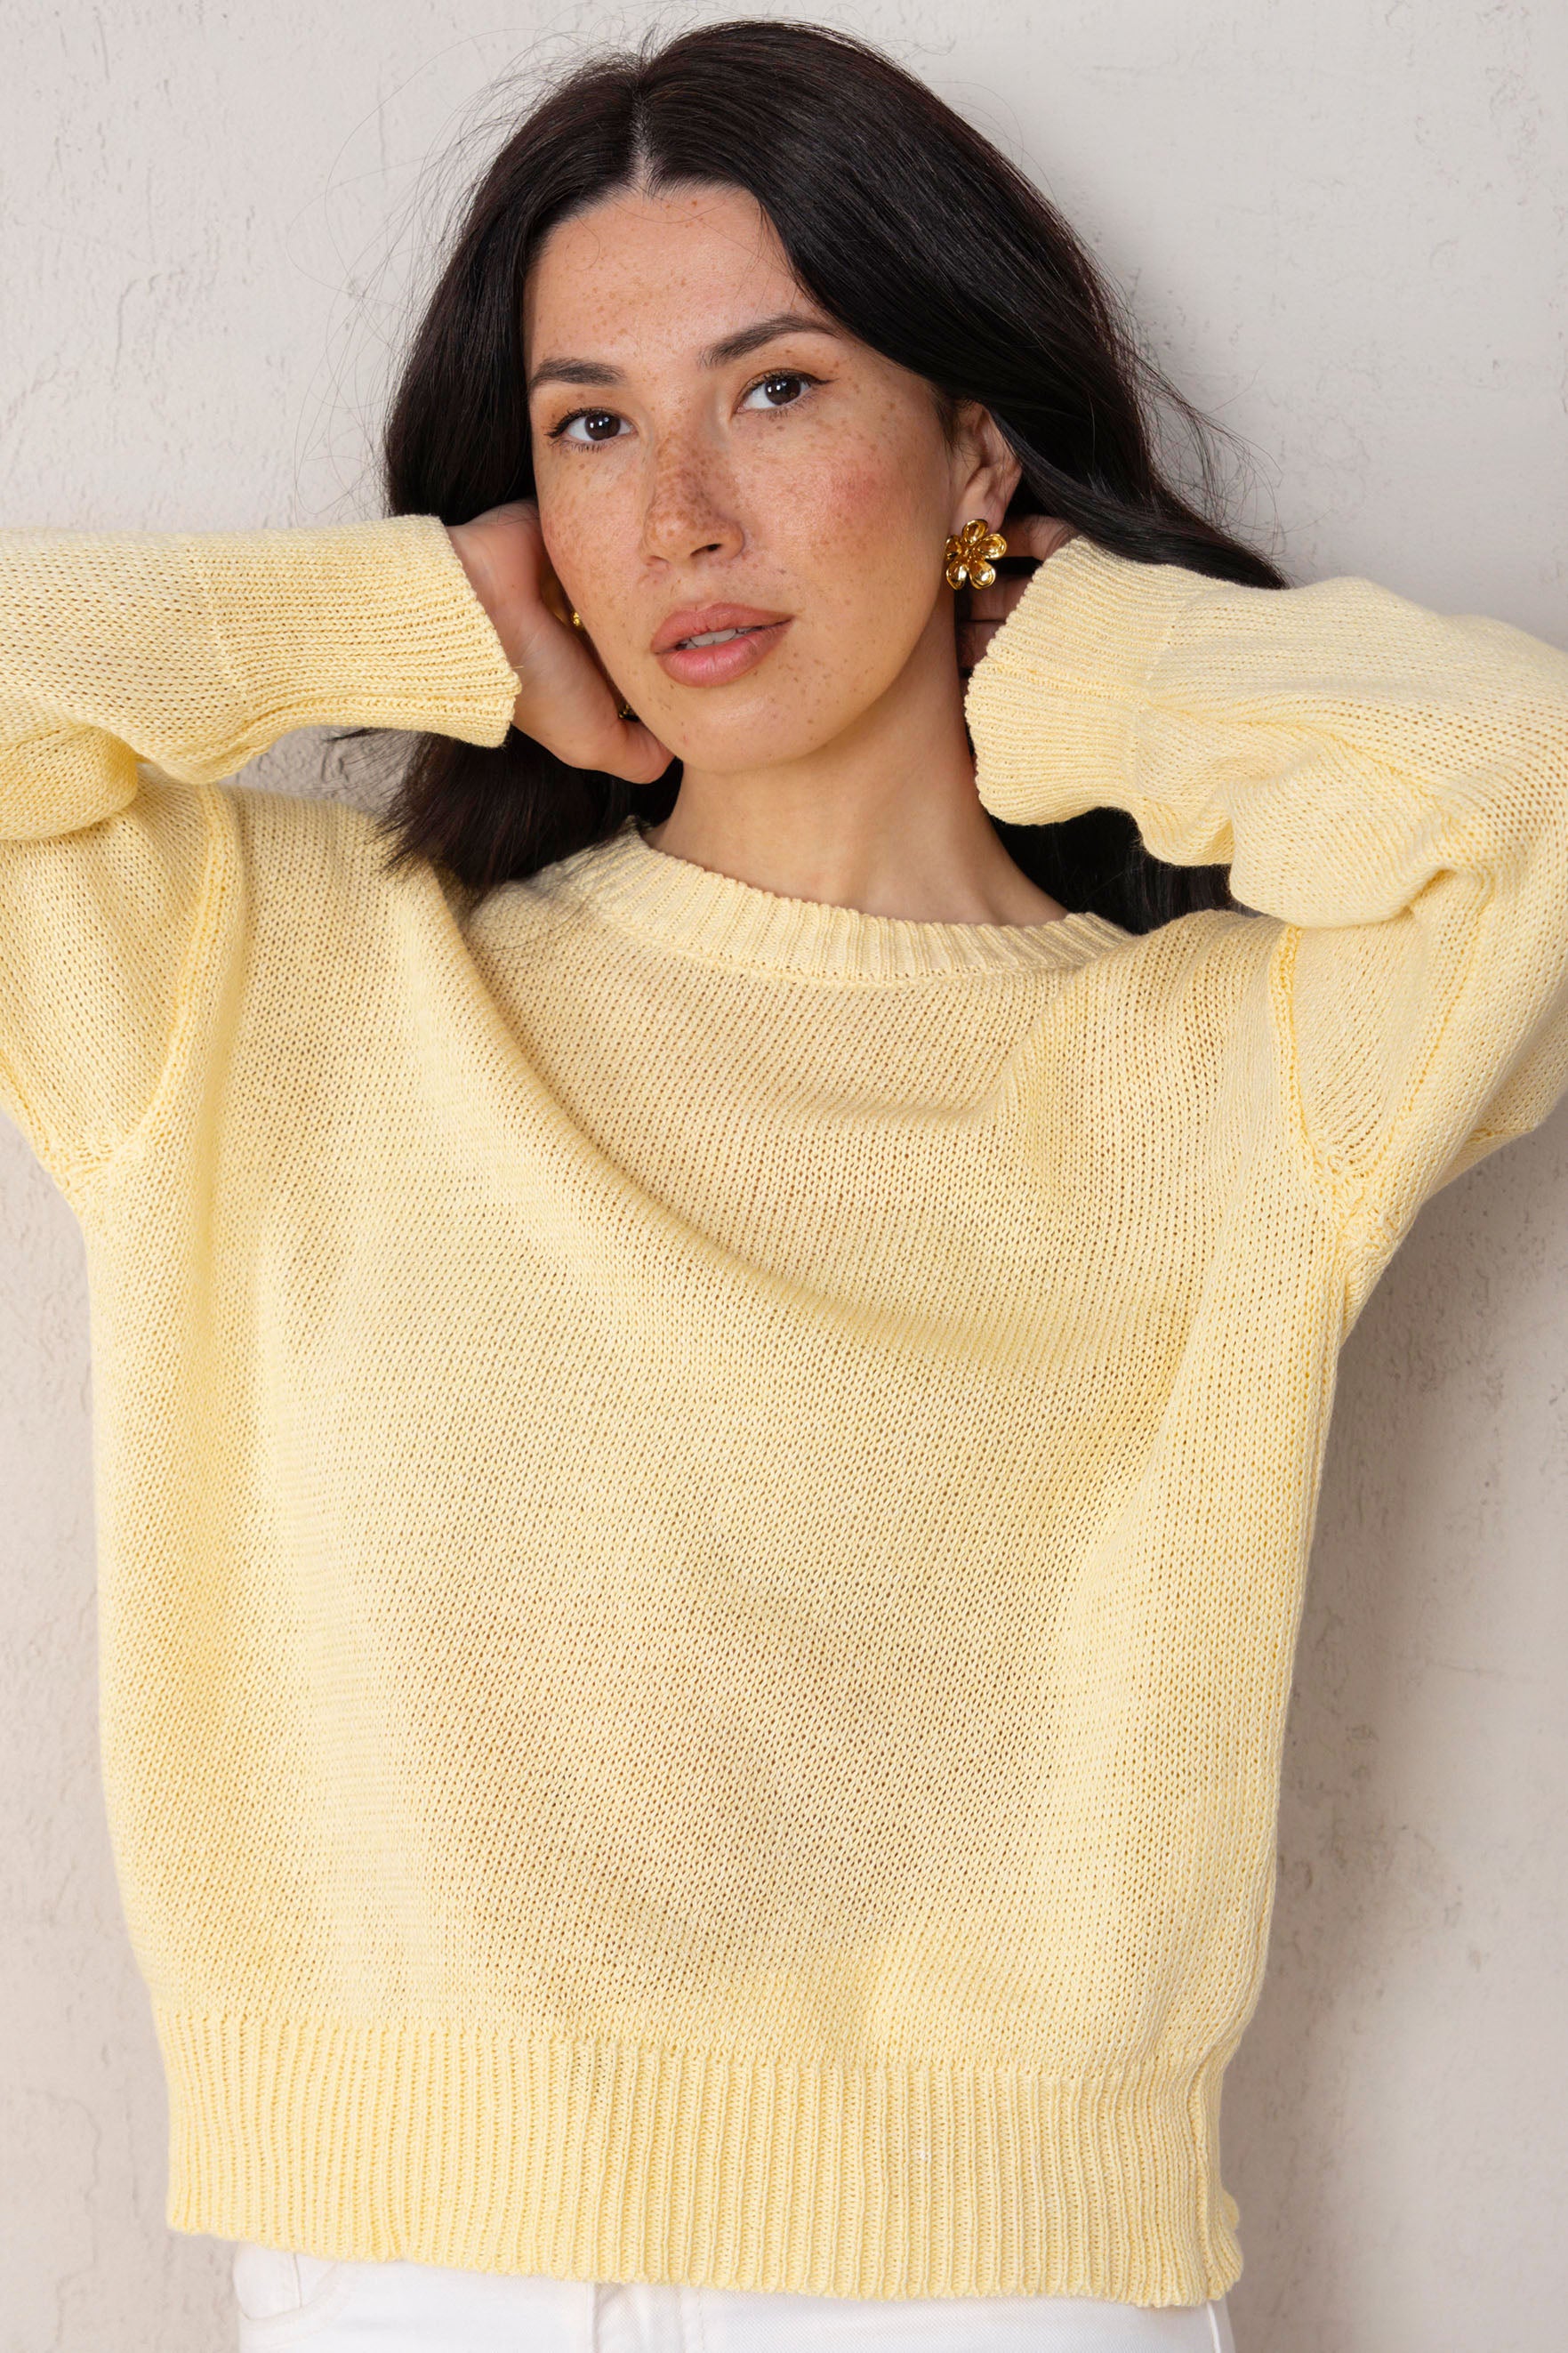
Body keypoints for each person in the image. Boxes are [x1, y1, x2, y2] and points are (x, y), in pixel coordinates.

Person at [4, 18, 1564, 2353]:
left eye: (777, 389)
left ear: (973, 445)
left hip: (988, 2292)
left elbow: (1533, 804)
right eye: (590, 425)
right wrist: (403, 619)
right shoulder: (282, 985)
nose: (679, 521)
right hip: (407, 2279)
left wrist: (1080, 651)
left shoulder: (1219, 1074)